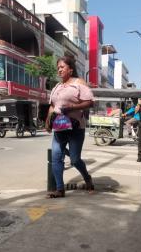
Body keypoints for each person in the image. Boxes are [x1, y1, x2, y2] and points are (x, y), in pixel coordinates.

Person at [45, 56, 94, 198]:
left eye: (62, 67)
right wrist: (48, 121)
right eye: (58, 67)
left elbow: (90, 102)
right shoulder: (57, 87)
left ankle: (87, 177)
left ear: (70, 70)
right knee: (56, 157)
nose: (59, 69)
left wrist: (73, 107)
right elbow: (53, 106)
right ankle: (60, 189)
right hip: (59, 127)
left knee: (74, 159)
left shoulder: (79, 83)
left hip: (75, 127)